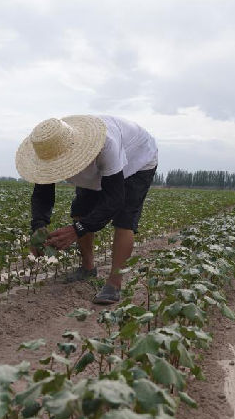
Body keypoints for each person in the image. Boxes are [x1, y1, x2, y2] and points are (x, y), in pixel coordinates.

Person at [16, 115, 158, 304]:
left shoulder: (105, 144)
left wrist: (78, 230)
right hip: (101, 167)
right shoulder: (50, 149)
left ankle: (114, 284)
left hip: (137, 160)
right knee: (80, 208)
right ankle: (87, 268)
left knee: (124, 218)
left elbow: (114, 199)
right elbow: (42, 193)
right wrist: (38, 226)